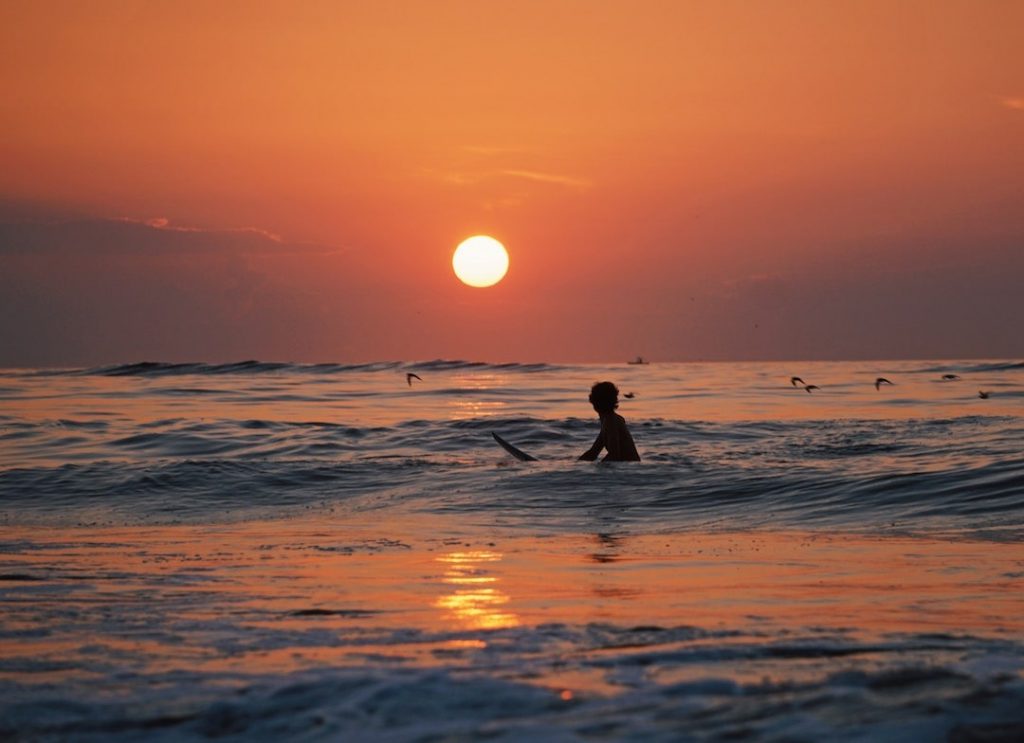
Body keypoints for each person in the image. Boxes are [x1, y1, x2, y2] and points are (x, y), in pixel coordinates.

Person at [579, 381, 641, 462]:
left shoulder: (610, 421)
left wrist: (599, 469)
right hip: (630, 468)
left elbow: (614, 455)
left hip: (629, 469)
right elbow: (593, 452)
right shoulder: (610, 420)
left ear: (593, 400)